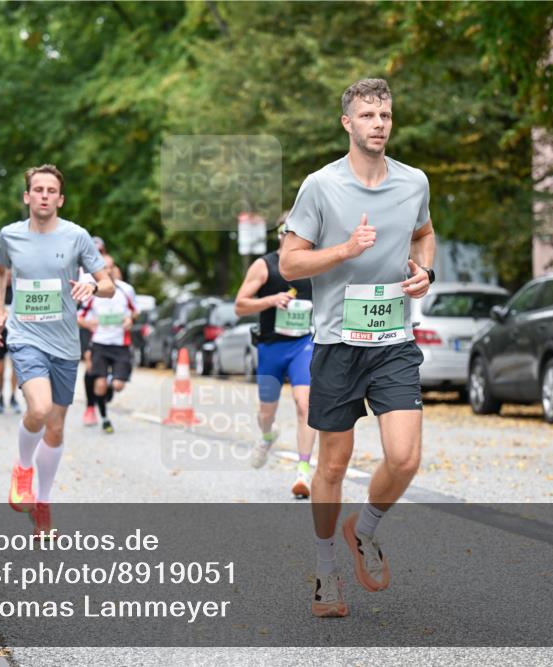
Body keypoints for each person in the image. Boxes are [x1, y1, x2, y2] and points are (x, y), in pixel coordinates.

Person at [279, 78, 436, 618]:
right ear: (347, 123)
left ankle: (363, 528)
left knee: (405, 457)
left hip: (394, 340)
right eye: (368, 115)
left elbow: (424, 234)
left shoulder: (414, 182)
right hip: (337, 343)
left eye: (385, 115)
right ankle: (326, 570)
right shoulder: (320, 186)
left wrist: (425, 272)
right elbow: (290, 263)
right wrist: (344, 250)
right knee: (333, 464)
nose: (379, 123)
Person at [0, 164, 114, 536]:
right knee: (40, 409)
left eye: (51, 191)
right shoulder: (10, 235)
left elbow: (108, 283)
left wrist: (93, 287)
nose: (44, 196)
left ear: (60, 199)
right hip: (25, 336)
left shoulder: (77, 237)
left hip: (64, 343)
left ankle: (43, 504)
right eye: (38, 190)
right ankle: (23, 467)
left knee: (56, 429)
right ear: (27, 196)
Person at [234, 220, 315, 498]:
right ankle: (268, 435)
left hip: (303, 344)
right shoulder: (264, 265)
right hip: (271, 347)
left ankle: (303, 471)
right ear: (281, 236)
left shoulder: (313, 265)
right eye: (290, 232)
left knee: (305, 403)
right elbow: (240, 305)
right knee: (266, 413)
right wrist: (270, 300)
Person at [77, 254, 136, 434]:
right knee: (99, 384)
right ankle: (104, 419)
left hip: (120, 344)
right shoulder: (92, 292)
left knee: (118, 385)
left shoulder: (126, 290)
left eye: (110, 267)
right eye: (104, 267)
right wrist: (89, 324)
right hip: (100, 344)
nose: (108, 271)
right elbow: (79, 317)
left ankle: (111, 382)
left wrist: (129, 320)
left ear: (114, 268)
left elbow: (135, 312)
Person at [80, 235, 107, 426]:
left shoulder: (107, 270)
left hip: (108, 329)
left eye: (100, 251)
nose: (96, 254)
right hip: (87, 326)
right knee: (90, 364)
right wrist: (85, 322)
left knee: (103, 373)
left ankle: (103, 394)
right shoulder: (79, 271)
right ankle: (90, 407)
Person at [0, 284, 21, 414]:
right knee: (0, 369)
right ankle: (1, 396)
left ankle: (13, 396)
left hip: (16, 333)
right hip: (0, 333)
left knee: (15, 367)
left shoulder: (18, 288)